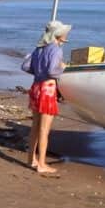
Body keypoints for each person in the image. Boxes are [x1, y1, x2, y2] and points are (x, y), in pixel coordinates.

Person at [21, 19, 71, 174]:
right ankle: (42, 164)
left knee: (35, 127)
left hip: (36, 87)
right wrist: (64, 69)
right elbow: (51, 71)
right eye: (64, 32)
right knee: (44, 130)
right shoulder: (55, 49)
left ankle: (32, 160)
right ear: (58, 35)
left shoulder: (39, 48)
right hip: (47, 89)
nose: (66, 34)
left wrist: (38, 73)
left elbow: (25, 66)